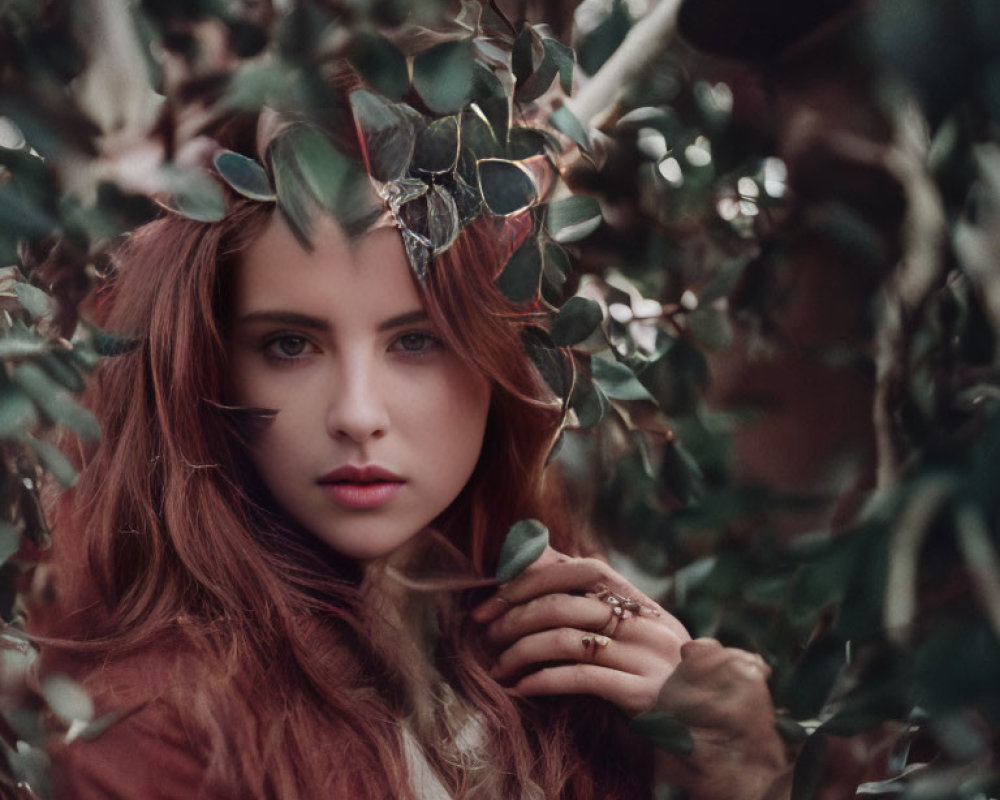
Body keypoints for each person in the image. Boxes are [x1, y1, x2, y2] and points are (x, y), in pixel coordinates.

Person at [27, 97, 790, 800]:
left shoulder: (541, 666)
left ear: (496, 359)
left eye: (417, 341)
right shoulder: (152, 729)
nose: (358, 416)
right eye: (290, 344)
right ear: (205, 370)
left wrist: (731, 769)